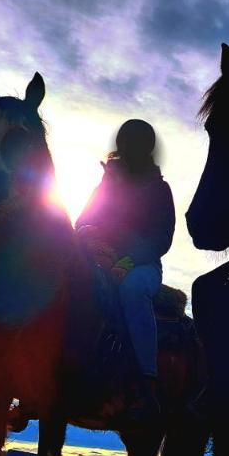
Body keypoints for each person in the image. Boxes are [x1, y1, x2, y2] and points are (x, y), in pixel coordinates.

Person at [76, 119, 176, 414]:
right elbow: (82, 221)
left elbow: (161, 239)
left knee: (132, 291)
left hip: (142, 266)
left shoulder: (160, 189)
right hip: (98, 260)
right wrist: (88, 239)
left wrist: (125, 262)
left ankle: (147, 380)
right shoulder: (105, 185)